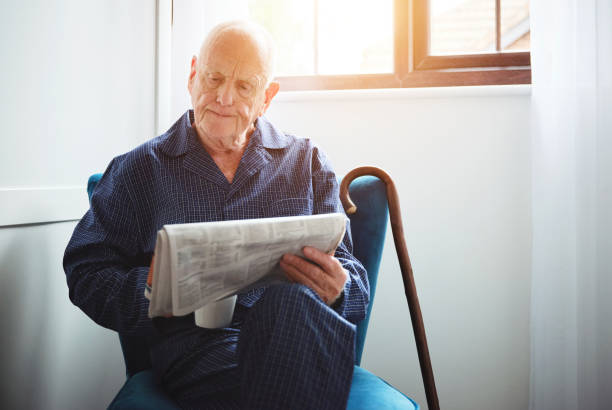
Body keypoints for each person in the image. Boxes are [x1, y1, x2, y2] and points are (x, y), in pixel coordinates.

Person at [64, 20, 369, 409]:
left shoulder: (306, 162)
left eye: (244, 87)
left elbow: (354, 280)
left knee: (290, 307)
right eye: (214, 78)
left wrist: (339, 288)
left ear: (267, 97)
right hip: (201, 352)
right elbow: (85, 272)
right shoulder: (140, 168)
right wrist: (154, 291)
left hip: (299, 339)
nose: (224, 98)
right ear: (193, 75)